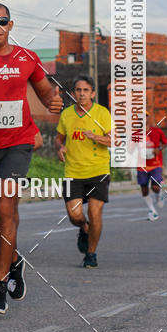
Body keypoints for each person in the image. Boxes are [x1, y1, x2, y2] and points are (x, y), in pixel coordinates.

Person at [0, 3, 63, 315]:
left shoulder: (26, 58)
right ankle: (15, 260)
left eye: (1, 21)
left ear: (11, 24)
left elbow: (46, 93)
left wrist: (53, 101)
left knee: (6, 209)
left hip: (18, 143)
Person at [55, 75, 112, 268]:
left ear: (93, 93)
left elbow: (114, 141)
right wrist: (60, 148)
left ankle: (91, 253)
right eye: (78, 90)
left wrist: (95, 136)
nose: (82, 94)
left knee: (95, 213)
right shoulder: (67, 115)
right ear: (73, 94)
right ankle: (84, 227)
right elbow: (58, 139)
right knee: (75, 215)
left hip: (98, 170)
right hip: (73, 172)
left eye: (86, 90)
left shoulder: (102, 113)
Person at [136, 112, 167, 221]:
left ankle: (159, 194)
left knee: (154, 187)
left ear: (148, 118)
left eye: (144, 116)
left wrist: (158, 149)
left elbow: (164, 143)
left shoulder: (156, 131)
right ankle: (152, 211)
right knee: (144, 189)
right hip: (141, 166)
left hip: (155, 164)